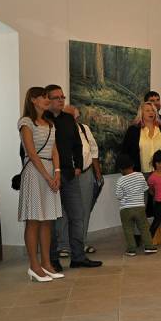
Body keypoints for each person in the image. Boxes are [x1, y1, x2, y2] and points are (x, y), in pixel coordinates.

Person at [45, 85, 102, 270]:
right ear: (47, 99)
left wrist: (78, 166)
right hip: (50, 176)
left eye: (62, 97)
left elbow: (77, 145)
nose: (61, 100)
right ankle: (52, 259)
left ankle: (78, 257)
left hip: (69, 176)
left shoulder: (68, 119)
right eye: (57, 97)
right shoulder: (42, 120)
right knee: (53, 220)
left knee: (77, 216)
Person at [18, 87, 63, 282]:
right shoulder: (26, 122)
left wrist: (57, 173)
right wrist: (47, 176)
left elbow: (54, 151)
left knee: (47, 220)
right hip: (35, 173)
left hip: (50, 172)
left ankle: (46, 263)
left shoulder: (50, 123)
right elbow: (31, 153)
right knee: (34, 220)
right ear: (33, 100)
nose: (47, 100)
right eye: (44, 97)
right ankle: (34, 266)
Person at [57, 105, 102, 255]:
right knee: (64, 210)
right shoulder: (56, 128)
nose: (73, 121)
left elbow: (93, 150)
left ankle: (80, 243)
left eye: (75, 118)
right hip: (66, 174)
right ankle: (64, 245)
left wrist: (97, 172)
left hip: (85, 173)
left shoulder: (84, 128)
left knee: (84, 209)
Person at [115, 153, 157, 257]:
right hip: (139, 207)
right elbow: (145, 188)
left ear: (120, 169)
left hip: (125, 209)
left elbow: (118, 196)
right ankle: (149, 246)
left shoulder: (120, 180)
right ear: (132, 165)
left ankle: (131, 249)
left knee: (128, 229)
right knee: (144, 227)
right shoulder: (140, 175)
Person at [121, 102, 161, 174]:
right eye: (147, 110)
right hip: (140, 174)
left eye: (153, 110)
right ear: (141, 113)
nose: (151, 112)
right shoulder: (133, 130)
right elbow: (125, 152)